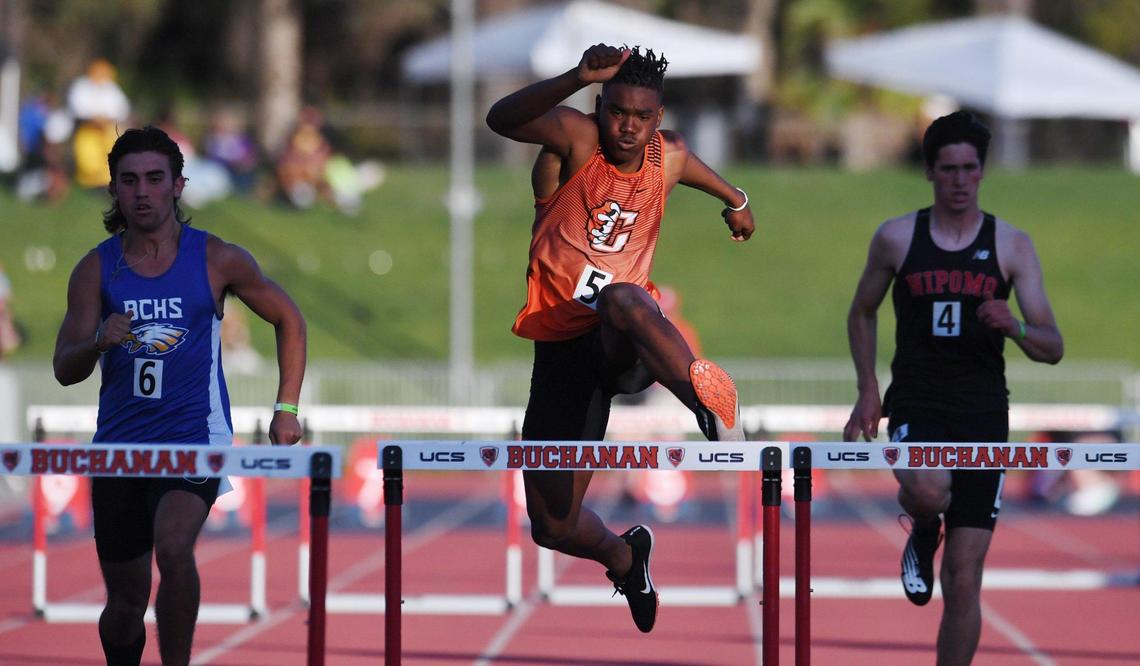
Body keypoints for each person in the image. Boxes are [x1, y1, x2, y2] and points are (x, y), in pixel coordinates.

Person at [486, 44, 755, 634]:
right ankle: (625, 556)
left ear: (658, 119)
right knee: (552, 526)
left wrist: (738, 202)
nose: (627, 127)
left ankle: (703, 398)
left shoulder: (671, 157)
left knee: (625, 298)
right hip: (561, 353)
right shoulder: (575, 141)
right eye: (615, 112)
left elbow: (715, 180)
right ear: (599, 106)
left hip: (623, 344)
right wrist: (575, 77)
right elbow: (500, 120)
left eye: (641, 116)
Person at [52, 126, 306, 666]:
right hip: (119, 448)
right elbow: (64, 368)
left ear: (178, 186)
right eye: (129, 180)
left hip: (194, 439)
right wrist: (98, 341)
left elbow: (289, 318)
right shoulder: (95, 269)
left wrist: (286, 407)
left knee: (173, 545)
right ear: (114, 192)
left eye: (154, 178)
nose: (142, 191)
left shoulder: (215, 258)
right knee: (124, 606)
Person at [843, 111, 1063, 665]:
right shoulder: (897, 237)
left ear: (982, 172)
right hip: (917, 399)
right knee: (927, 490)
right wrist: (868, 389)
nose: (960, 181)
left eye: (969, 169)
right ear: (929, 172)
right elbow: (862, 311)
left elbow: (1052, 344)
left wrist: (1013, 325)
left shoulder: (1012, 246)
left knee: (963, 581)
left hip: (984, 412)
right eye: (948, 169)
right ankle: (922, 526)